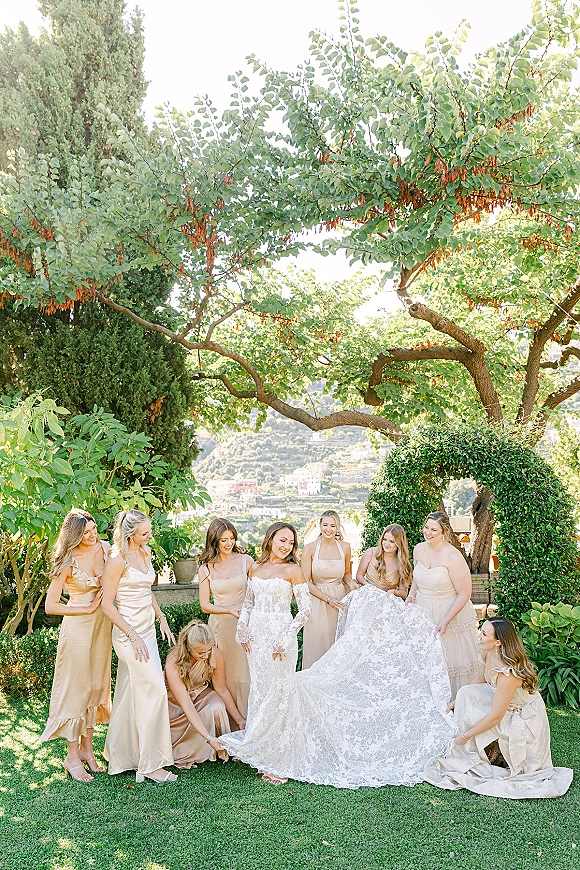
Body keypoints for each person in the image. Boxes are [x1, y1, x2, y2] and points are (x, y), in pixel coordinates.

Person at [220, 522, 455, 789]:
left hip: (280, 640)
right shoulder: (255, 568)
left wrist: (284, 638)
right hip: (256, 640)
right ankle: (260, 746)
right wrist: (242, 630)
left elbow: (304, 610)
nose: (285, 546)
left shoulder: (293, 570)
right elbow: (249, 602)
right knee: (261, 691)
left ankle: (282, 757)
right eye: (281, 540)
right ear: (270, 538)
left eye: (289, 543)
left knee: (281, 692)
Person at [423, 618, 573, 798]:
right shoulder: (488, 653)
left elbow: (495, 716)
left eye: (484, 634)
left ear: (498, 642)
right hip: (504, 703)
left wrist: (466, 735)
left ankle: (486, 747)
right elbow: (477, 681)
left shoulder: (509, 674)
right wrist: (457, 700)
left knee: (481, 718)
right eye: (481, 630)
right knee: (466, 694)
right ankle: (476, 750)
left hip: (522, 715)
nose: (479, 635)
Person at [101, 509, 177, 783]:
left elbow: (147, 592)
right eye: (145, 533)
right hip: (127, 634)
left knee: (131, 692)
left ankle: (122, 755)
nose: (150, 536)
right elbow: (106, 604)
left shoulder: (145, 553)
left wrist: (161, 617)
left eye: (149, 531)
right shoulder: (117, 560)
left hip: (146, 631)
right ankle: (150, 764)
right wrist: (132, 634)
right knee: (155, 690)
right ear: (130, 534)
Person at [41, 509, 112, 782]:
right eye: (85, 532)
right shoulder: (68, 561)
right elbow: (51, 606)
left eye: (93, 529)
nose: (92, 535)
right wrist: (86, 610)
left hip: (102, 627)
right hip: (78, 629)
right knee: (77, 689)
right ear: (74, 535)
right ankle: (71, 757)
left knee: (96, 686)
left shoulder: (105, 549)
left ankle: (87, 750)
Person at [407, 511, 481, 698]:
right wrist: (411, 595)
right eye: (426, 528)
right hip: (422, 610)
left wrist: (447, 620)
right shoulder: (418, 549)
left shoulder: (453, 556)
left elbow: (465, 593)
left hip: (448, 611)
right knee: (423, 659)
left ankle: (453, 701)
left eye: (434, 530)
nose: (428, 532)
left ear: (444, 532)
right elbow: (417, 576)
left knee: (449, 661)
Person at [165, 620, 246, 768]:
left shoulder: (214, 654)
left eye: (209, 650)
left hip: (201, 693)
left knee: (216, 705)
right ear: (188, 648)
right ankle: (199, 746)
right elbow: (187, 706)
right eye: (200, 652)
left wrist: (240, 720)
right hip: (177, 703)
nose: (206, 655)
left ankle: (217, 747)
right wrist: (209, 738)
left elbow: (221, 689)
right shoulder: (173, 661)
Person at [198, 518, 252, 720]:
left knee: (244, 677)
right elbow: (205, 605)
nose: (229, 543)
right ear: (214, 542)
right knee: (224, 677)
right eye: (223, 540)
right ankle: (228, 727)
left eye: (232, 538)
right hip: (220, 627)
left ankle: (249, 723)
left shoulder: (246, 561)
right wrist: (229, 610)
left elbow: (258, 591)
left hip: (245, 625)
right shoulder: (205, 569)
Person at [301, 510, 356, 669]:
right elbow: (305, 582)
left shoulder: (345, 547)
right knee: (317, 646)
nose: (328, 529)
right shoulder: (310, 549)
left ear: (338, 527)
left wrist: (351, 582)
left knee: (337, 644)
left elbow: (346, 573)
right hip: (318, 601)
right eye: (325, 525)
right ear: (320, 525)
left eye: (333, 525)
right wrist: (327, 599)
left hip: (340, 602)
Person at [356, 524, 411, 599]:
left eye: (391, 541)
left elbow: (404, 593)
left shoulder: (403, 564)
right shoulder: (370, 553)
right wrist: (366, 584)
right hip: (366, 597)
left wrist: (395, 592)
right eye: (384, 539)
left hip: (386, 603)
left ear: (399, 543)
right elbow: (359, 575)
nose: (386, 544)